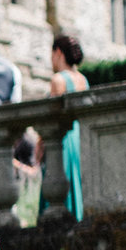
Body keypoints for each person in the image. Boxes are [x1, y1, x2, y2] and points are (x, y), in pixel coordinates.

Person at [49, 34, 89, 220]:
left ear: (58, 52)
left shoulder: (58, 80)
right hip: (79, 137)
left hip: (64, 140)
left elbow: (53, 119)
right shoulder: (83, 79)